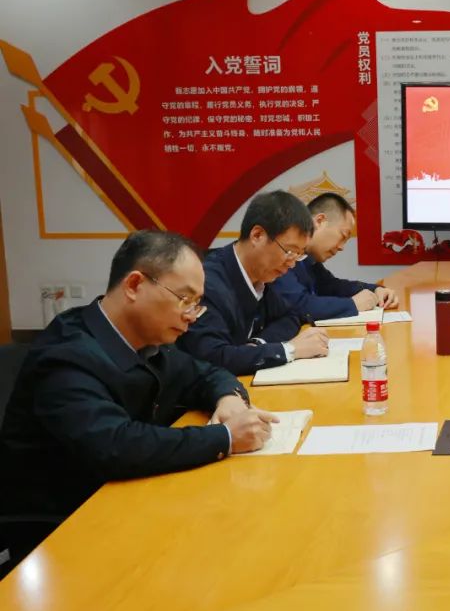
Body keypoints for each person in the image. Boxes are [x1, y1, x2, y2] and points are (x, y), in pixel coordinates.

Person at [0, 230, 277, 527]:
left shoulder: (148, 340)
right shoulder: (65, 356)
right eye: (184, 299)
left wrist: (229, 399)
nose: (191, 315)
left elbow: (205, 372)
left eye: (197, 303)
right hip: (65, 522)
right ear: (134, 285)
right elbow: (116, 446)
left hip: (132, 495)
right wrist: (225, 437)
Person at [178, 191, 329, 375]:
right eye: (289, 251)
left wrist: (257, 344)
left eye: (299, 255)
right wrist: (289, 350)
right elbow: (214, 357)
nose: (291, 264)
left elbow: (291, 315)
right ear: (257, 235)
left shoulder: (263, 276)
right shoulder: (206, 283)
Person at [275, 192, 398, 322]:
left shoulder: (308, 258)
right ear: (319, 221)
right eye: (343, 236)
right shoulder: (282, 253)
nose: (341, 247)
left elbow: (331, 286)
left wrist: (375, 289)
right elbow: (298, 305)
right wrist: (352, 304)